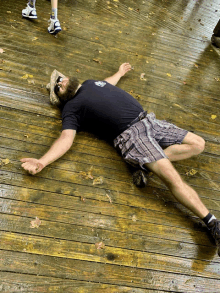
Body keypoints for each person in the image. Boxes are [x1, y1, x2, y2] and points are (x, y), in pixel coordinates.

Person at [21, 63, 220, 256]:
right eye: (58, 87)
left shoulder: (90, 83)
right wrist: (43, 161)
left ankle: (144, 164)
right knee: (172, 177)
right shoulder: (71, 108)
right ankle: (212, 223)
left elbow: (107, 84)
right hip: (132, 136)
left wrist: (119, 73)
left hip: (150, 121)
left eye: (60, 79)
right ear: (62, 98)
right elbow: (66, 138)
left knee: (198, 144)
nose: (61, 82)